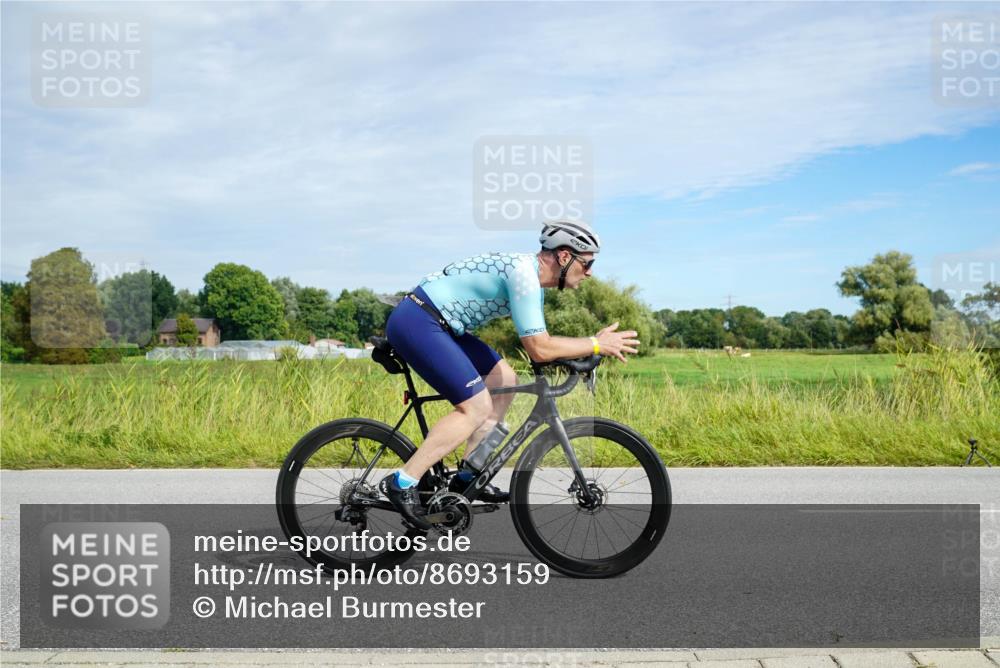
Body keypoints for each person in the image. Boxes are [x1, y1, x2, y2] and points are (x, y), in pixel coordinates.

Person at [379, 220, 640, 529]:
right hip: (420, 321)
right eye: (588, 262)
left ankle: (467, 476)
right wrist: (596, 344)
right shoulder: (524, 277)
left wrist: (583, 351)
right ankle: (403, 481)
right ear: (565, 256)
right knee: (475, 407)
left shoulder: (531, 280)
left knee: (505, 380)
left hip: (440, 322)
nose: (591, 271)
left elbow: (542, 345)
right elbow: (539, 349)